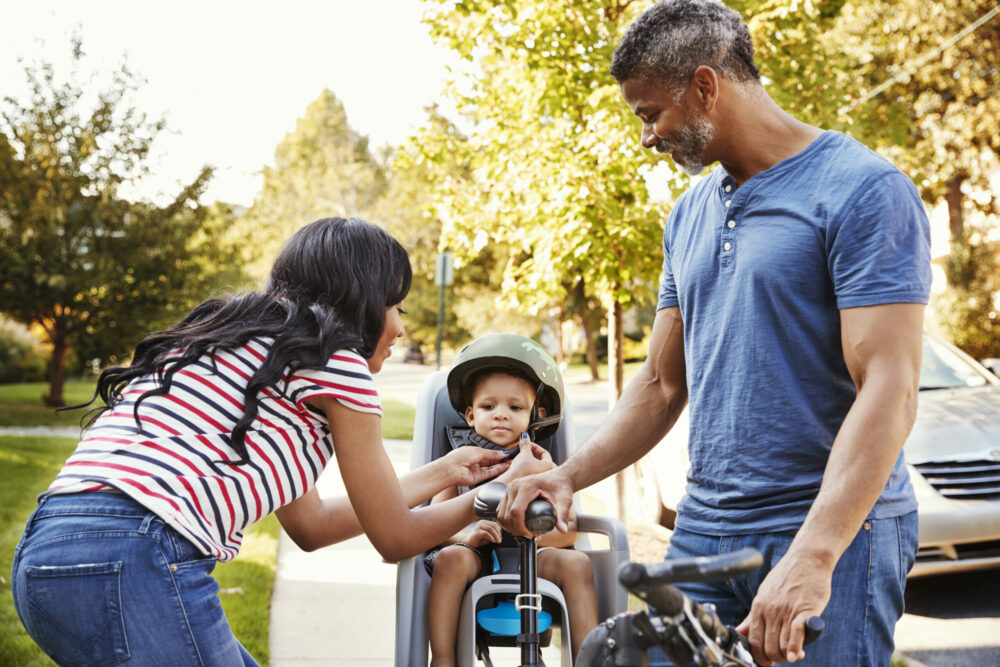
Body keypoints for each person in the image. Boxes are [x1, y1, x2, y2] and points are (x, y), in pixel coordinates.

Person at [499, 2, 932, 665]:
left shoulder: (861, 191)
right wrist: (566, 476)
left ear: (706, 86)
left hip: (824, 527)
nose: (646, 135)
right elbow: (661, 383)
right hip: (705, 527)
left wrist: (813, 554)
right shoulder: (689, 213)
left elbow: (891, 388)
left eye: (651, 114)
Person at [10, 217, 551, 667]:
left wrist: (449, 470)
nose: (400, 328)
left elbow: (311, 527)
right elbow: (394, 537)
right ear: (363, 301)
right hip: (138, 555)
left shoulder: (239, 345)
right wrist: (497, 490)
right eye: (396, 306)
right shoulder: (338, 363)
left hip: (44, 557)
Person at [425, 333, 599, 666]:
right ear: (471, 415)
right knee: (449, 559)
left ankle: (587, 660)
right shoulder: (459, 461)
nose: (501, 414)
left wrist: (537, 531)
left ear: (536, 413)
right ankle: (443, 659)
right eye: (489, 406)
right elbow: (437, 519)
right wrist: (465, 536)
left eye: (515, 407)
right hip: (477, 557)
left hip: (535, 555)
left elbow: (569, 532)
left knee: (578, 563)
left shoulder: (541, 463)